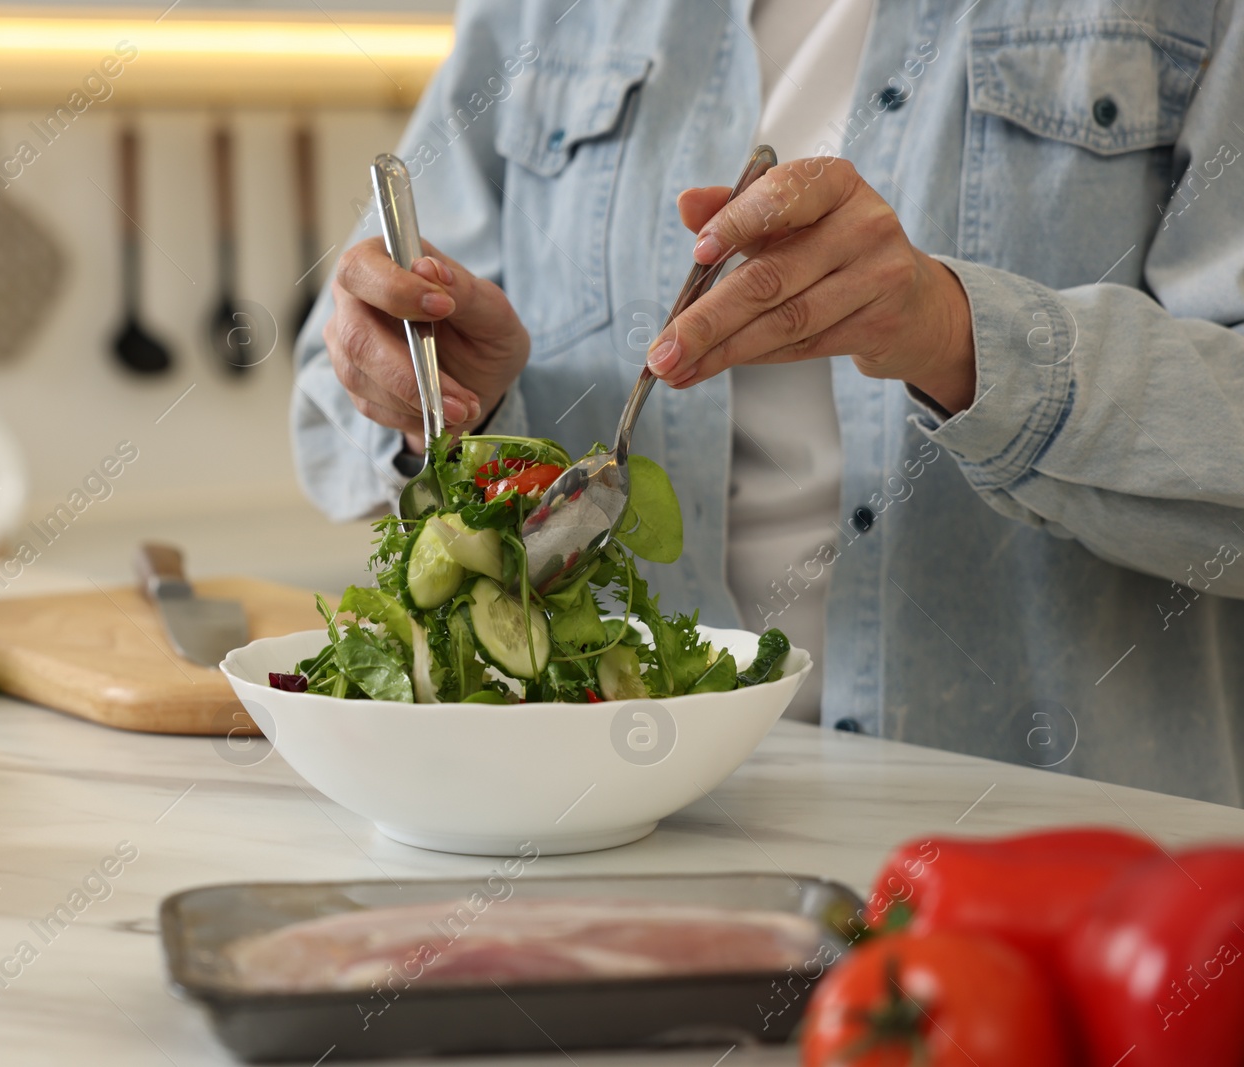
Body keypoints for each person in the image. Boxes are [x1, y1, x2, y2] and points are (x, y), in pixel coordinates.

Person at [291, 0, 1244, 804]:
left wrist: (956, 334)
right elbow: (326, 417)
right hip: (608, 830)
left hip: (1037, 856)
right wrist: (448, 393)